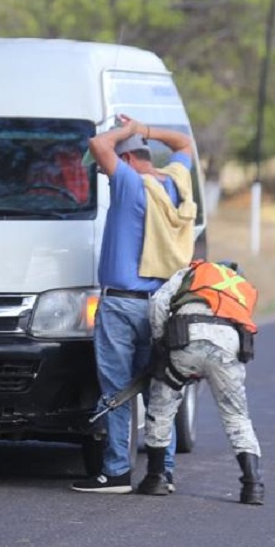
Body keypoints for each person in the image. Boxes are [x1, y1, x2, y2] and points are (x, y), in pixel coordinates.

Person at [72, 115, 196, 494]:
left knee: (117, 389)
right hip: (162, 305)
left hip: (123, 305)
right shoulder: (175, 183)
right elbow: (185, 144)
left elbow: (98, 146)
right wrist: (145, 129)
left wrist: (125, 130)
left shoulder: (129, 185)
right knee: (160, 389)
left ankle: (117, 471)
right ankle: (163, 471)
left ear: (125, 161)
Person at [138, 260, 264, 505]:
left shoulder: (191, 272)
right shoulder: (241, 287)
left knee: (162, 407)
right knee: (236, 416)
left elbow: (158, 303)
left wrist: (161, 340)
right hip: (227, 348)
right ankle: (253, 486)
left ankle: (156, 478)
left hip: (187, 339)